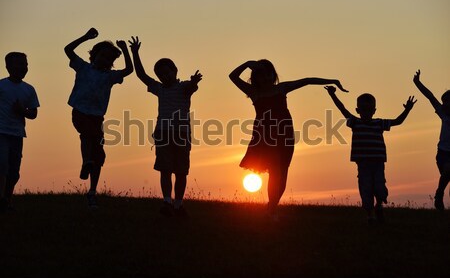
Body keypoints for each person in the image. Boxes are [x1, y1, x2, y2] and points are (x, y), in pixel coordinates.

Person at [229, 59, 347, 221]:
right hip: (265, 136)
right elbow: (233, 76)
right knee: (275, 171)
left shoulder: (281, 88)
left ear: (273, 75)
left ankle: (272, 208)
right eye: (261, 75)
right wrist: (248, 63)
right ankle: (271, 210)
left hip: (285, 135)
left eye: (268, 74)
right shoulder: (254, 92)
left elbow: (306, 81)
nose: (266, 78)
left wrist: (332, 80)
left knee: (282, 174)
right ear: (256, 77)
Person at [128, 36, 202, 217]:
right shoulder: (159, 89)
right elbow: (141, 76)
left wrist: (194, 82)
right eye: (160, 74)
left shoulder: (184, 87)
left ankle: (178, 204)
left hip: (181, 134)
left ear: (175, 71)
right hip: (163, 132)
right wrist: (135, 53)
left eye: (167, 72)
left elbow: (192, 88)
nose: (164, 76)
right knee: (165, 169)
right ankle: (167, 202)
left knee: (181, 171)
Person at [325, 85, 416, 224]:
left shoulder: (379, 123)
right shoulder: (354, 122)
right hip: (363, 163)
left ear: (374, 110)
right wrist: (332, 95)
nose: (366, 112)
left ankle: (378, 205)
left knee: (379, 187)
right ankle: (370, 215)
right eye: (363, 109)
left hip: (378, 162)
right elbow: (342, 108)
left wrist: (407, 109)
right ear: (358, 110)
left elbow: (398, 121)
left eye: (369, 109)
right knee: (366, 188)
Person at [64, 28, 133, 209]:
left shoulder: (110, 76)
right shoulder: (83, 67)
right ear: (94, 55)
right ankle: (86, 161)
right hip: (80, 111)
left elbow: (129, 70)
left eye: (109, 59)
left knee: (99, 156)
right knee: (87, 135)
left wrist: (124, 49)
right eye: (102, 55)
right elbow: (68, 50)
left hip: (97, 117)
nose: (105, 60)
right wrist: (86, 37)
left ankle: (92, 191)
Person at [0, 52, 39, 212]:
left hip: (17, 134)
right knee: (2, 165)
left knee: (14, 171)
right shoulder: (1, 86)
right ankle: (1, 199)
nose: (23, 68)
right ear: (8, 67)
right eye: (19, 64)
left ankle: (7, 200)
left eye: (25, 65)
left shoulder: (29, 89)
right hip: (1, 132)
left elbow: (33, 114)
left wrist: (22, 111)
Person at [413, 69, 450, 210]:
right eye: (444, 102)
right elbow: (430, 96)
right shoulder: (442, 112)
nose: (445, 104)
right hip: (443, 153)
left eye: (448, 102)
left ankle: (440, 202)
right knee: (447, 171)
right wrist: (418, 83)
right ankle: (439, 193)